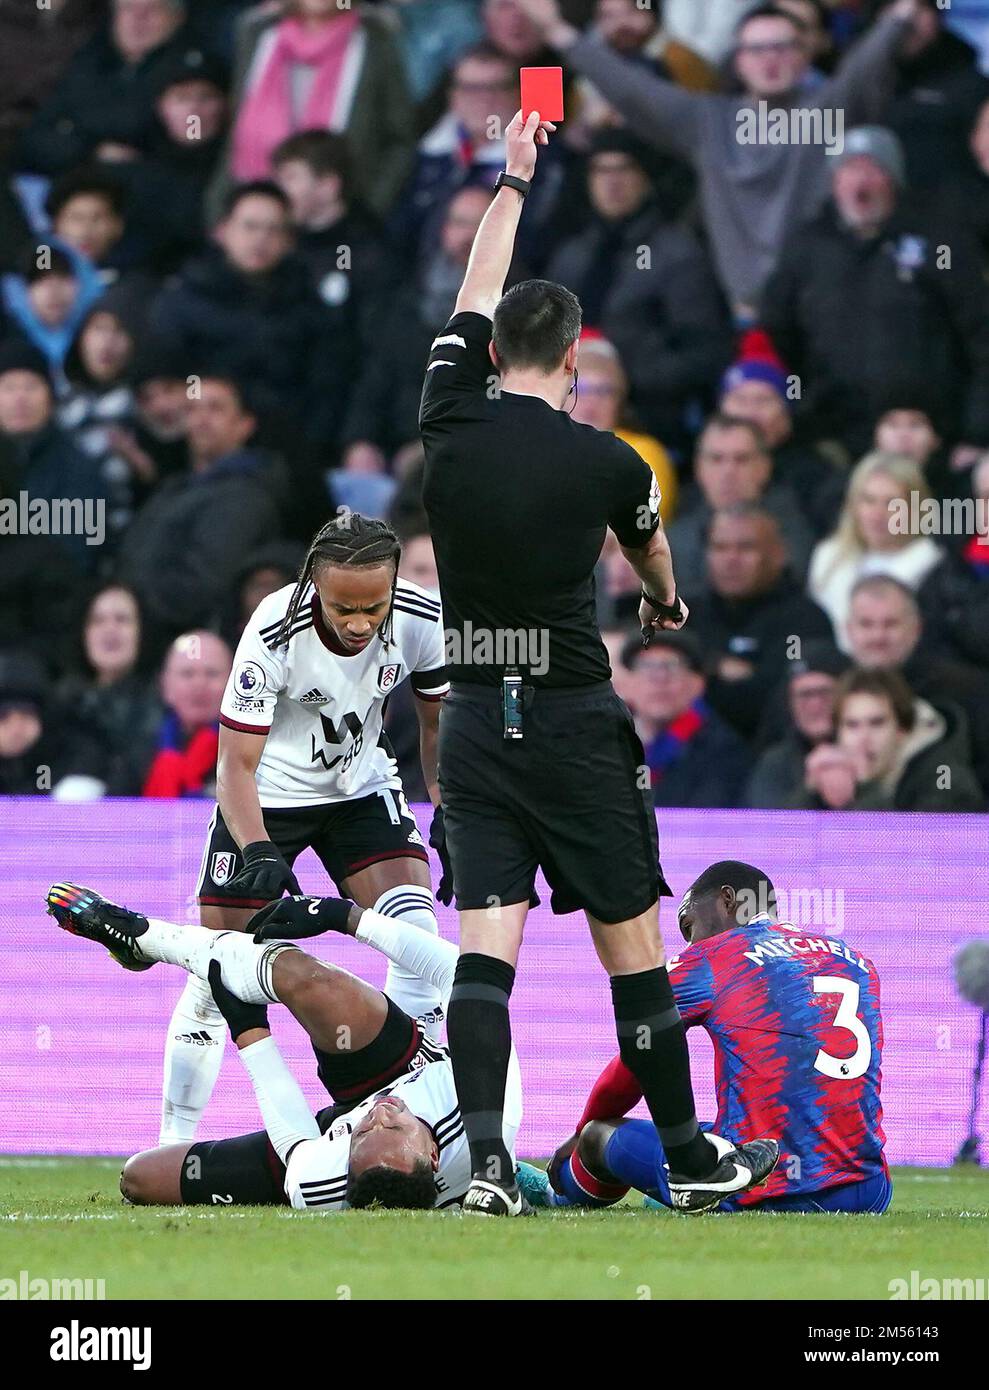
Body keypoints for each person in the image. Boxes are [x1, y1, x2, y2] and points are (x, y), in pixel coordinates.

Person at [419, 108, 778, 1215]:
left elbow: (475, 285)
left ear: (488, 352)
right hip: (573, 717)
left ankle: (484, 1165)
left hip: (476, 716)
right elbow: (652, 553)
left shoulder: (446, 413)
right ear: (572, 359)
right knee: (629, 949)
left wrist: (514, 179)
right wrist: (665, 601)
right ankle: (686, 1155)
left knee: (484, 952)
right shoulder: (607, 460)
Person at [157, 514, 449, 1148]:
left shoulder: (423, 620)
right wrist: (258, 847)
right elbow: (233, 763)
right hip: (267, 796)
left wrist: (450, 809)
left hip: (361, 790)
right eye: (343, 606)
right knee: (215, 973)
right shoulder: (273, 627)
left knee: (415, 929)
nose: (359, 623)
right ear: (313, 584)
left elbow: (437, 728)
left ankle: (420, 1105)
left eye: (373, 607)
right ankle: (169, 1141)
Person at [46, 882, 504, 1211]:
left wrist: (249, 1028)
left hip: (321, 1135)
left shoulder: (323, 1179)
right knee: (309, 979)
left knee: (140, 1178)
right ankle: (146, 938)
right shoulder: (485, 1107)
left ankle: (152, 950)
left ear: (348, 1164)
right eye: (394, 1128)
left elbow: (295, 1134)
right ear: (434, 1154)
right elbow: (461, 972)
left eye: (364, 1133)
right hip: (405, 1069)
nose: (379, 1113)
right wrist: (344, 917)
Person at [525, 861, 892, 1216]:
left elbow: (639, 1058)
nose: (690, 941)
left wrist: (578, 1133)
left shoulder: (710, 957)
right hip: (867, 1189)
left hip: (758, 1184)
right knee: (710, 1135)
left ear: (727, 900)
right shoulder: (855, 960)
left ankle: (553, 1194)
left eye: (690, 925)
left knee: (598, 1134)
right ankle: (678, 1189)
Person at [515, 0, 921, 314]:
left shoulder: (829, 111)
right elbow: (631, 90)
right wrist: (555, 30)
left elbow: (869, 62)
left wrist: (903, 11)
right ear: (739, 61)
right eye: (757, 49)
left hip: (823, 305)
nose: (770, 59)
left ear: (805, 55)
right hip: (739, 315)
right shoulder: (708, 122)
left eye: (783, 47)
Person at [760, 123, 989, 454]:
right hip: (833, 439)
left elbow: (982, 338)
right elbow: (777, 330)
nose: (861, 181)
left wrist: (976, 432)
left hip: (932, 440)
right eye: (850, 169)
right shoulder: (807, 246)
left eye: (874, 169)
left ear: (894, 180)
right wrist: (804, 400)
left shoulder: (941, 243)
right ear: (834, 182)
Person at [544, 128, 730, 447]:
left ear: (645, 178)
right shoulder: (572, 253)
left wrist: (620, 376)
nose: (612, 182)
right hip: (564, 418)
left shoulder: (678, 254)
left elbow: (705, 353)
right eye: (601, 170)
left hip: (649, 421)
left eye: (624, 169)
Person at [150, 181, 355, 448]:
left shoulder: (308, 306)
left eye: (273, 230)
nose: (260, 239)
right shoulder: (183, 300)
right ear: (223, 231)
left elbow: (326, 388)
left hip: (285, 446)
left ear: (288, 241)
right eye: (250, 226)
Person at [118, 373, 284, 641]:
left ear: (245, 424)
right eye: (192, 409)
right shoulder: (173, 488)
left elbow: (202, 588)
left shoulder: (245, 495)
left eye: (215, 408)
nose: (201, 419)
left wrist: (134, 610)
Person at [220, 0, 414, 218]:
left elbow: (400, 141)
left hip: (340, 220)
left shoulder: (375, 41)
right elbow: (236, 130)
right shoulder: (259, 33)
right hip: (257, 213)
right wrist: (220, 208)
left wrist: (368, 210)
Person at [685, 504, 834, 740]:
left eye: (746, 548)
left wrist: (703, 674)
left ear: (779, 554)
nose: (731, 559)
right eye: (720, 547)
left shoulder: (805, 620)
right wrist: (718, 668)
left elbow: (778, 701)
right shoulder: (684, 613)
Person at [14, 0, 203, 177]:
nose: (138, 19)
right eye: (128, 9)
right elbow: (36, 139)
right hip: (72, 184)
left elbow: (191, 140)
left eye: (152, 10)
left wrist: (76, 131)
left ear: (178, 18)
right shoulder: (88, 64)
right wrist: (92, 151)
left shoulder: (195, 71)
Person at [844, 573, 989, 791]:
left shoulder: (966, 689)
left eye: (890, 624)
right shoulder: (833, 690)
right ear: (848, 630)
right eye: (866, 624)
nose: (878, 636)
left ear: (916, 629)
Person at [795, 666, 984, 812]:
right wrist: (813, 793)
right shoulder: (836, 775)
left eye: (877, 723)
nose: (863, 738)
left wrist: (860, 790)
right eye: (852, 725)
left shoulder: (945, 782)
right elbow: (781, 849)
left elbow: (892, 854)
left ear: (902, 729)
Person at [666, 415, 815, 596]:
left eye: (742, 460)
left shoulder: (792, 528)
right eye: (716, 459)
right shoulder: (676, 535)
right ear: (699, 469)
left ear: (765, 467)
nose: (728, 472)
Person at [808, 450, 944, 647]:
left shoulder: (934, 563)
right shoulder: (828, 556)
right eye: (868, 500)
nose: (877, 514)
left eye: (891, 503)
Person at [54, 583, 163, 797]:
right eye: (97, 620)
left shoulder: (163, 705)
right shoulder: (60, 704)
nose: (110, 629)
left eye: (122, 619)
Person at [622, 631, 752, 809]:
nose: (660, 680)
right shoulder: (608, 745)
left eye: (672, 667)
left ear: (697, 684)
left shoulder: (724, 752)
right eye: (646, 667)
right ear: (627, 684)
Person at [571, 336, 677, 521]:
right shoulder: (541, 445)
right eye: (582, 389)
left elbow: (648, 521)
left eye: (603, 391)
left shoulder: (643, 452)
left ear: (619, 400)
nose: (591, 402)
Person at [745, 640, 850, 808]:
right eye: (804, 695)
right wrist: (809, 791)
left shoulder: (869, 752)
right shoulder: (775, 764)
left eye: (825, 692)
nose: (815, 705)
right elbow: (770, 828)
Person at [141, 629, 232, 798]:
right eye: (187, 674)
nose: (199, 684)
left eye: (212, 673)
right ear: (165, 685)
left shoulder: (248, 751)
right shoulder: (138, 748)